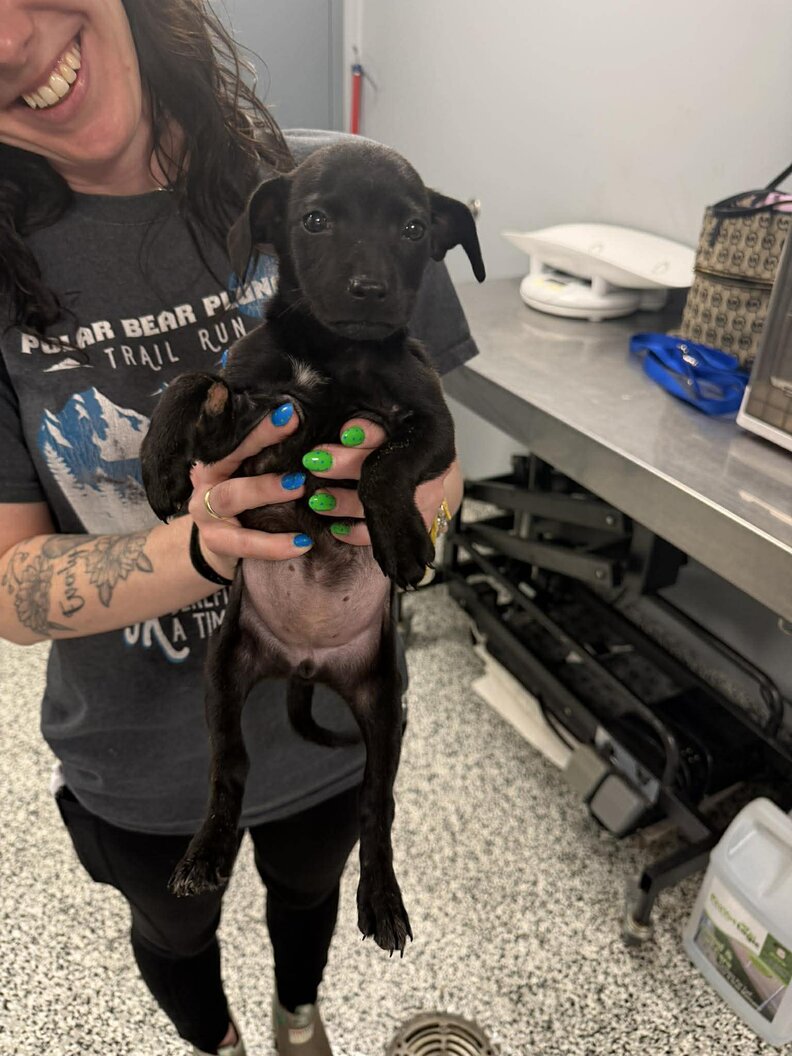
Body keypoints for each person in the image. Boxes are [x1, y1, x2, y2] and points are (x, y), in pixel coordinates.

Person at [0, 2, 478, 1054]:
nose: (5, 38)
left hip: (333, 723)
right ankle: (217, 1041)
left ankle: (298, 1017)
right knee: (175, 925)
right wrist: (206, 544)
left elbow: (443, 460)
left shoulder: (344, 180)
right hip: (139, 758)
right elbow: (9, 590)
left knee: (309, 892)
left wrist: (409, 508)